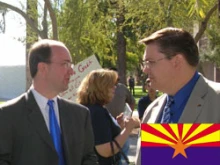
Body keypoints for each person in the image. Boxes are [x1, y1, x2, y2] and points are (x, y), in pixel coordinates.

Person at [0, 39, 98, 165]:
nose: (72, 71)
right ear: (43, 68)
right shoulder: (7, 115)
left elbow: (89, 157)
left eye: (71, 65)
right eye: (65, 64)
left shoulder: (80, 114)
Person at [135, 27, 220, 165]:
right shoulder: (152, 110)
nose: (145, 69)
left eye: (150, 62)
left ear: (177, 61)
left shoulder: (216, 101)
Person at [77, 69, 140, 165]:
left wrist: (119, 126)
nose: (115, 88)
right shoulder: (97, 112)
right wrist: (128, 129)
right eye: (111, 85)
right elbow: (106, 151)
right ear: (101, 88)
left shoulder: (89, 108)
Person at [105, 67, 135, 165]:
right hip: (106, 126)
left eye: (117, 78)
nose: (116, 81)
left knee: (123, 152)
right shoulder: (101, 89)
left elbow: (131, 101)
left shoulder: (123, 88)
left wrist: (128, 115)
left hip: (121, 126)